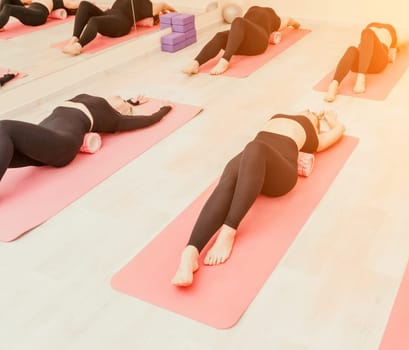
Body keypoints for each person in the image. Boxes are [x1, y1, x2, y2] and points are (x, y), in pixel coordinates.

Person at [171, 109, 346, 287]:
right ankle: (190, 252)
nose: (310, 111)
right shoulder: (280, 116)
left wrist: (330, 119)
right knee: (230, 176)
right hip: (252, 163)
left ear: (316, 126)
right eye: (308, 110)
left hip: (280, 174)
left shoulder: (313, 135)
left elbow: (339, 129)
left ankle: (228, 231)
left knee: (254, 147)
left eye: (313, 115)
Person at [0, 93, 173, 183]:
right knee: (4, 136)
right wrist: (132, 102)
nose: (119, 97)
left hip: (62, 145)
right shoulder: (103, 106)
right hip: (44, 144)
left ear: (122, 111)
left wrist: (163, 109)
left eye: (123, 102)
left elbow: (148, 120)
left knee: (4, 126)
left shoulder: (114, 119)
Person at [182, 5, 301, 75]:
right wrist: (294, 23)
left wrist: (296, 25)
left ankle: (225, 60)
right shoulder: (251, 13)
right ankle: (196, 63)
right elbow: (238, 31)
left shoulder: (274, 17)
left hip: (259, 42)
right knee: (220, 35)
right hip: (243, 40)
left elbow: (289, 21)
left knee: (238, 20)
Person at [324, 22, 408, 102]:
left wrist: (396, 49)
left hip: (377, 62)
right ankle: (334, 85)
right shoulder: (370, 26)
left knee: (368, 32)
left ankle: (361, 79)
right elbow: (364, 43)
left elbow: (391, 56)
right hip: (361, 62)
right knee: (352, 49)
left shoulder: (391, 29)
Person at [61, 0, 175, 55]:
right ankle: (74, 38)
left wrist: (176, 14)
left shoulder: (146, 4)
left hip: (121, 22)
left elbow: (164, 5)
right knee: (84, 5)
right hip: (109, 15)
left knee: (93, 21)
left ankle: (78, 45)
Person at [0, 0, 79, 31]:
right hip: (30, 11)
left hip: (39, 16)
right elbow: (24, 1)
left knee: (8, 8)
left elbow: (72, 4)